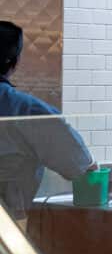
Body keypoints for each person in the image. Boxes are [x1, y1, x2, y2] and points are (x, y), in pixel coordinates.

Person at [0, 21, 93, 223]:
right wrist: (92, 169)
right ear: (13, 62)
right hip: (7, 225)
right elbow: (76, 162)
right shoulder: (26, 110)